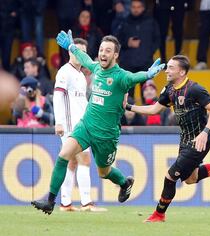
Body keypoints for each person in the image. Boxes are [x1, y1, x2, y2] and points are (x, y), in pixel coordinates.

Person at [31, 30, 165, 215]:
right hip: (85, 125)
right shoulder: (96, 68)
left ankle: (125, 183)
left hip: (106, 135)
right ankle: (50, 202)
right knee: (63, 156)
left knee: (104, 172)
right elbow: (84, 57)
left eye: (108, 51)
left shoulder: (121, 77)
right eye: (101, 49)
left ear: (116, 55)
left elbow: (136, 77)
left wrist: (149, 74)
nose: (103, 53)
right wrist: (71, 47)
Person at [125, 55, 210, 222]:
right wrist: (128, 106)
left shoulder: (195, 89)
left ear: (182, 71)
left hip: (199, 141)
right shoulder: (169, 90)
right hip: (185, 140)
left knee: (170, 176)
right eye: (167, 67)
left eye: (171, 67)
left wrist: (205, 132)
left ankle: (159, 214)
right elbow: (154, 109)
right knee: (191, 179)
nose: (167, 70)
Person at [53, 37, 107, 212]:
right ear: (70, 51)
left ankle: (65, 203)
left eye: (82, 51)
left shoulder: (81, 76)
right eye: (76, 50)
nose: (79, 54)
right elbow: (58, 97)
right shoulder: (64, 72)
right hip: (70, 125)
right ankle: (86, 203)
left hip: (81, 125)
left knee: (72, 163)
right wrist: (59, 122)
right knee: (84, 159)